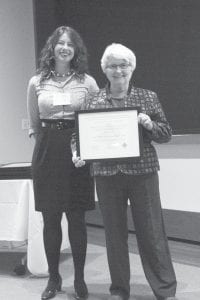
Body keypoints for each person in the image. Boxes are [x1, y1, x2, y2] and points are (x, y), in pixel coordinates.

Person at [72, 43, 177, 300]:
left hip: (143, 174)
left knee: (152, 233)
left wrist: (150, 123)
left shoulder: (147, 97)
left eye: (123, 65)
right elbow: (79, 135)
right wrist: (77, 152)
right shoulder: (92, 100)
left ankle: (164, 289)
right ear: (104, 70)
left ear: (132, 68)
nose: (118, 70)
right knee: (114, 235)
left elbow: (166, 134)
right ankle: (119, 290)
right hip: (107, 177)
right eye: (112, 65)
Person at [27, 26, 99, 300]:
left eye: (70, 44)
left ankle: (79, 278)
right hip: (47, 152)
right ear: (52, 48)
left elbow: (93, 119)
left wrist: (83, 148)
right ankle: (54, 278)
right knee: (50, 218)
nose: (65, 47)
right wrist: (47, 144)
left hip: (77, 152)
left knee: (77, 218)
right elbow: (34, 122)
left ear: (75, 49)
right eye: (60, 43)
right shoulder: (36, 82)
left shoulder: (87, 82)